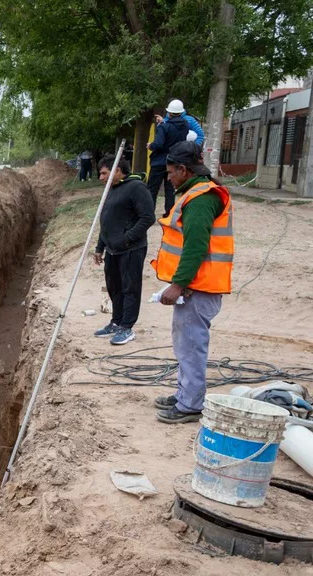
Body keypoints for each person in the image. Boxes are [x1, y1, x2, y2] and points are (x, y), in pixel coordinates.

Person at [151, 141, 234, 424]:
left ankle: (190, 405)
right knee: (185, 343)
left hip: (201, 286)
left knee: (191, 345)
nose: (168, 177)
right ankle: (185, 394)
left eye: (171, 171)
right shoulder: (196, 193)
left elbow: (195, 246)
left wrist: (178, 284)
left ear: (184, 170)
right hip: (196, 285)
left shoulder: (200, 198)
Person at [92, 155, 155, 345]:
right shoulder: (111, 190)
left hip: (131, 249)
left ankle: (127, 327)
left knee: (130, 288)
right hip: (112, 249)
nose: (101, 178)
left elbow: (147, 218)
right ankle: (116, 321)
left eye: (104, 173)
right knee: (114, 287)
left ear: (118, 170)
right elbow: (106, 221)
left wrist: (126, 239)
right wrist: (100, 247)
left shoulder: (136, 188)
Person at [148, 101, 190, 216]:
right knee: (170, 190)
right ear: (181, 112)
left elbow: (158, 144)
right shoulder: (185, 125)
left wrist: (150, 145)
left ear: (169, 113)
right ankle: (169, 213)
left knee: (152, 190)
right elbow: (173, 129)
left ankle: (149, 214)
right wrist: (164, 122)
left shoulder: (163, 127)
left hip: (159, 162)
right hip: (175, 161)